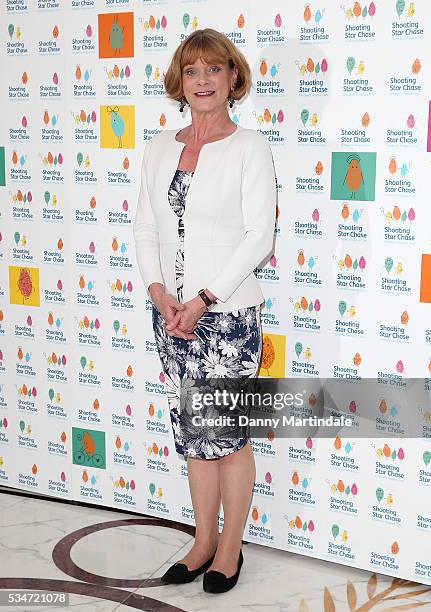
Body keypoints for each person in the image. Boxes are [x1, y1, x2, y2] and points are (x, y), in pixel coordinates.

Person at [133, 28, 277, 594]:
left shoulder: (250, 147)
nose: (202, 81)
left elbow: (258, 237)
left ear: (233, 78)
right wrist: (159, 293)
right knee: (196, 434)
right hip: (172, 316)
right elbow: (145, 227)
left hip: (227, 316)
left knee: (229, 437)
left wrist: (205, 298)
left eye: (213, 70)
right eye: (191, 72)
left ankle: (231, 550)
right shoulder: (158, 147)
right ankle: (201, 542)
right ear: (179, 82)